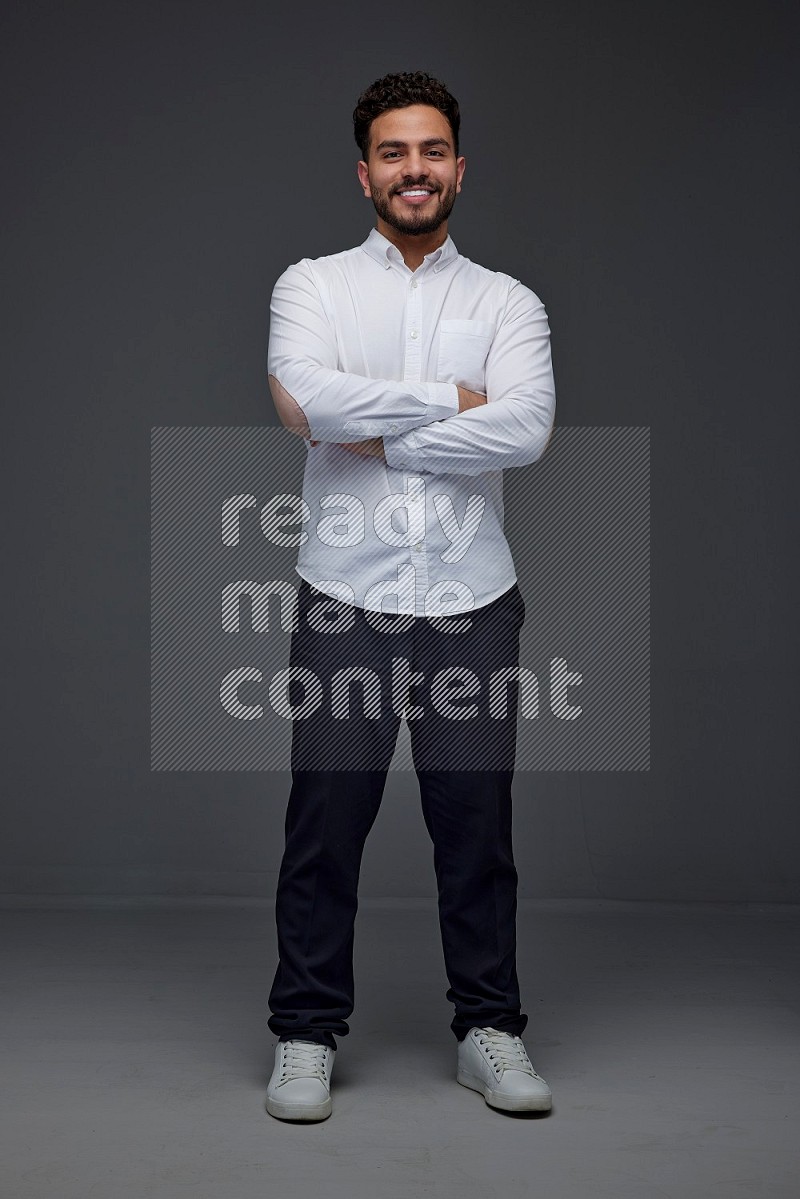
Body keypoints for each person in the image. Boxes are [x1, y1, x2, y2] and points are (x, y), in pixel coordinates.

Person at [264, 71, 556, 1122]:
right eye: (393, 152)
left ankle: (490, 1027)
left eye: (430, 150)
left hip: (472, 605)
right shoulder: (311, 286)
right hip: (344, 597)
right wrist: (450, 405)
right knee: (325, 822)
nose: (414, 169)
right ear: (364, 172)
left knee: (473, 825)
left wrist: (372, 422)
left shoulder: (506, 302)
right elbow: (306, 401)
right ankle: (304, 1031)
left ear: (458, 167)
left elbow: (523, 431)